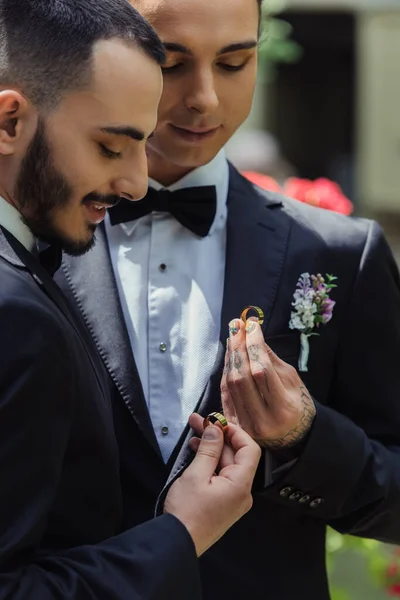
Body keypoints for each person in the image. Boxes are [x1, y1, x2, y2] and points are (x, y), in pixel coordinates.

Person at [57, 0, 400, 598]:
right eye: (171, 63)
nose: (206, 99)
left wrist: (304, 440)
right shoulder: (27, 247)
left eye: (236, 62)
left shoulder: (340, 253)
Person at [0, 1, 262, 599]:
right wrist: (182, 532)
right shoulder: (15, 312)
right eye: (112, 147)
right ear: (10, 123)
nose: (137, 183)